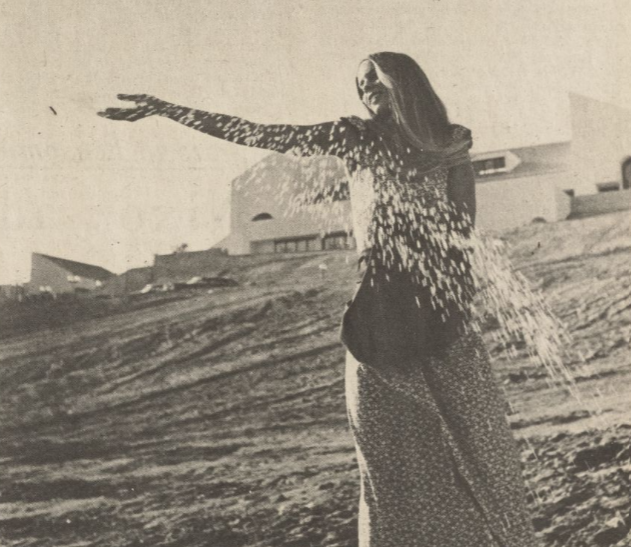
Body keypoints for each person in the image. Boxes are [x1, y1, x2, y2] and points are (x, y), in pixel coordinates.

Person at [99, 51, 538, 547]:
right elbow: (259, 133)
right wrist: (169, 109)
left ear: (405, 78)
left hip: (443, 323)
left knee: (487, 461)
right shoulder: (355, 136)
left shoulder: (452, 144)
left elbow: (462, 233)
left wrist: (454, 318)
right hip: (377, 324)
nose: (365, 85)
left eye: (374, 74)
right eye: (359, 80)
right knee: (390, 477)